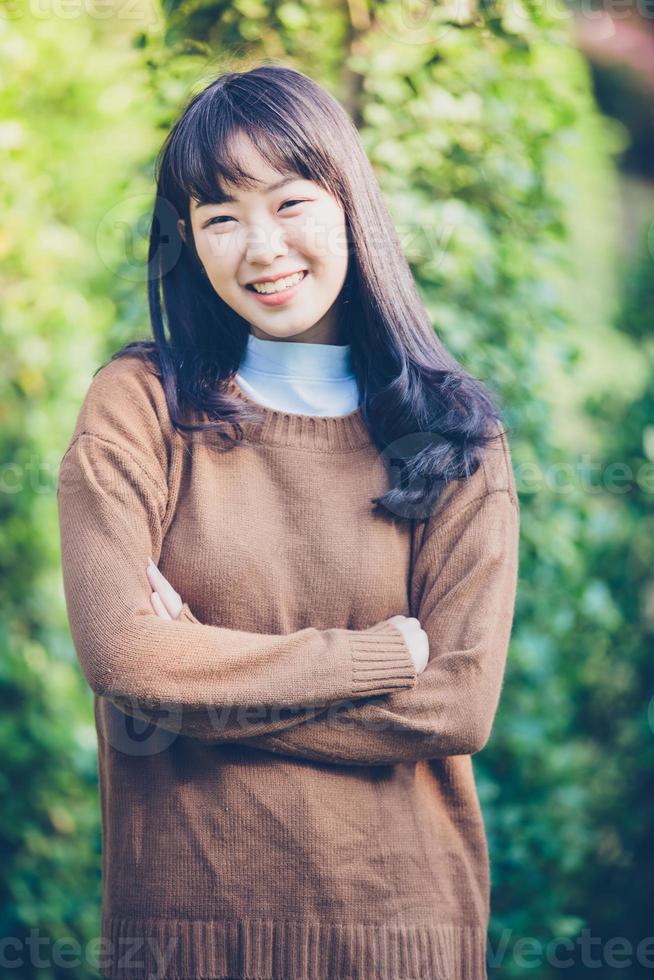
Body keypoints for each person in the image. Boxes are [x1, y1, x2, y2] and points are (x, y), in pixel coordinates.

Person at [57, 63, 520, 980]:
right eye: (219, 218)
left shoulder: (455, 432)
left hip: (399, 931)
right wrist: (379, 658)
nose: (260, 248)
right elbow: (123, 657)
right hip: (185, 935)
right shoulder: (139, 407)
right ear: (186, 241)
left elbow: (460, 703)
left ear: (349, 203)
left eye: (290, 202)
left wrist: (196, 676)